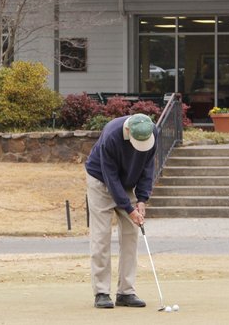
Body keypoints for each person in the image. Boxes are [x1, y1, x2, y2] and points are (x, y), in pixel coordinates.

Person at [84, 113, 158, 309]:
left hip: (127, 182)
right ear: (128, 131)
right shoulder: (111, 135)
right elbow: (110, 177)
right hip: (101, 180)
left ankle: (126, 292)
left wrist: (142, 199)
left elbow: (148, 166)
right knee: (101, 237)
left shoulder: (152, 132)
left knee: (131, 236)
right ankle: (101, 292)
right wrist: (128, 208)